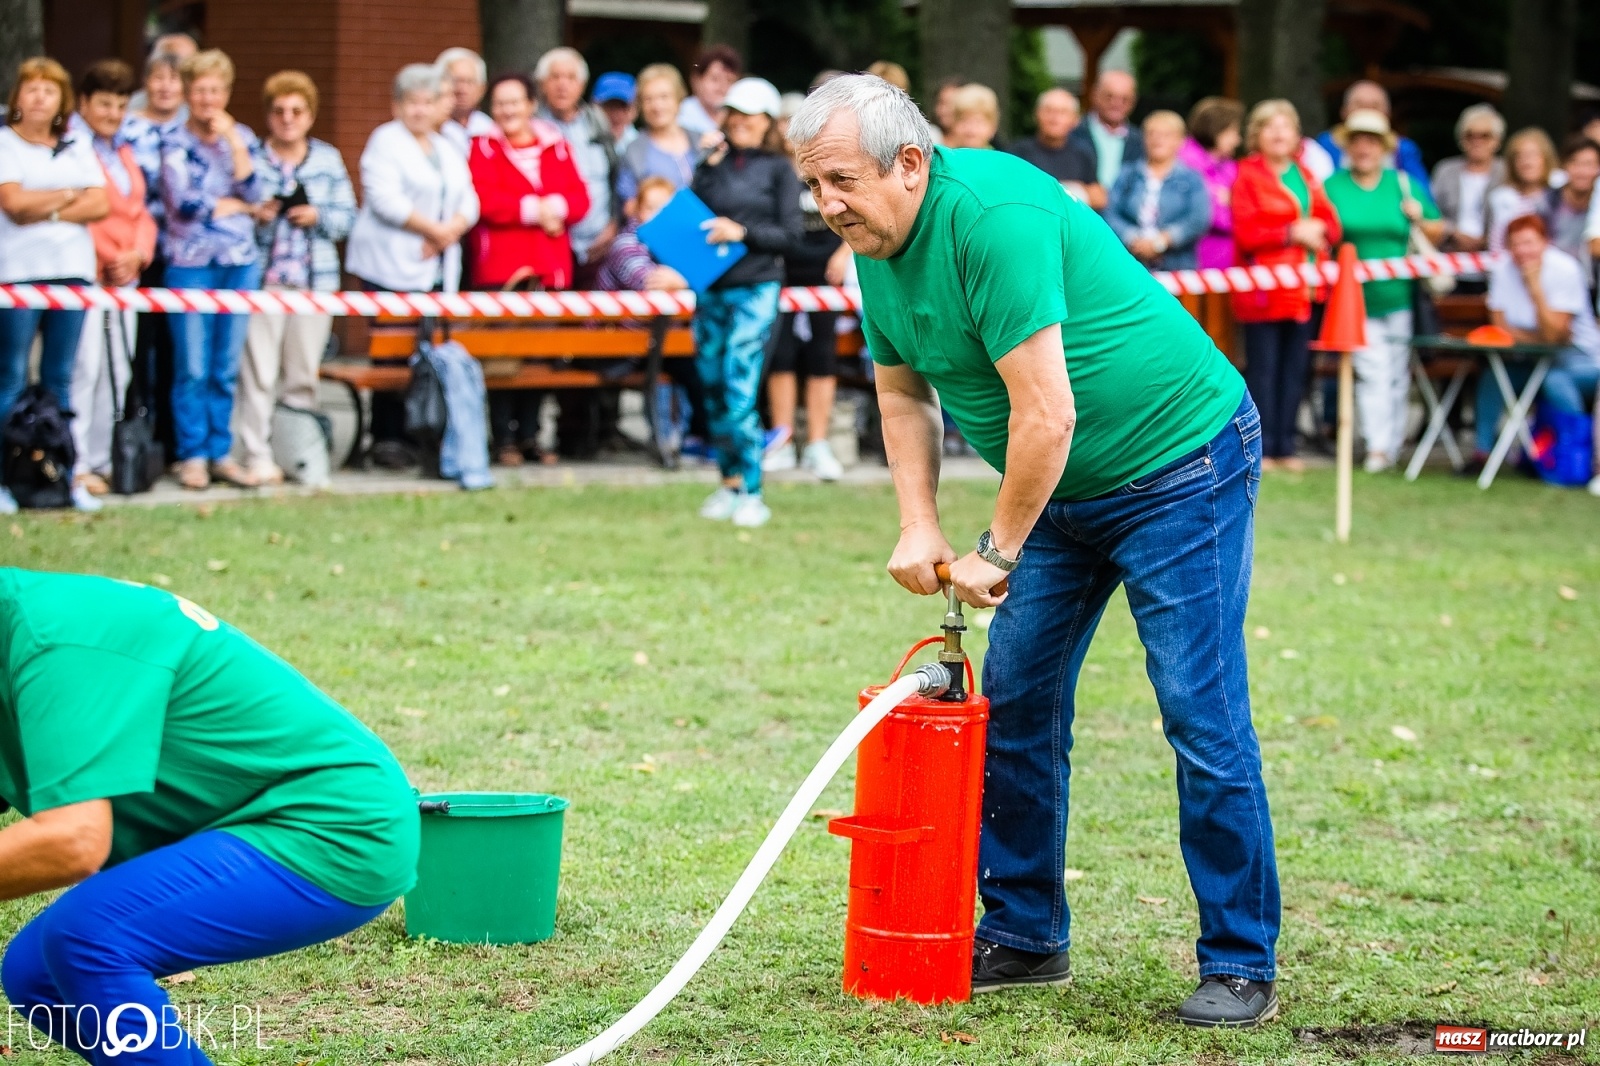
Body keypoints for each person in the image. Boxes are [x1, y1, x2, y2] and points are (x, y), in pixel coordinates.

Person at [790, 74, 1279, 1027]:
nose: (826, 205)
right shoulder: (876, 246)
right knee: (1012, 706)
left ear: (911, 163)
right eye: (814, 185)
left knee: (1199, 711)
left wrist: (997, 548)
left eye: (840, 180)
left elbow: (1046, 414)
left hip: (1183, 463)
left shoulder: (995, 217)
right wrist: (917, 523)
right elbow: (900, 394)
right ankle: (1023, 936)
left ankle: (1238, 958)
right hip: (1060, 489)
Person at [0, 567, 419, 1065]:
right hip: (248, 824)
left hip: (332, 825)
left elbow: (73, 840)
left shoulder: (54, 639)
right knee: (34, 972)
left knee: (89, 936)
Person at [346, 64, 478, 470]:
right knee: (392, 354)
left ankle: (423, 431)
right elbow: (384, 199)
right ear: (397, 105)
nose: (420, 111)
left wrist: (450, 230)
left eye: (427, 102)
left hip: (435, 268)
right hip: (390, 265)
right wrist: (433, 229)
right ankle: (388, 436)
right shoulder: (385, 142)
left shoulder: (447, 146)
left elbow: (469, 199)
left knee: (427, 353)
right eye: (411, 103)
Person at [0, 57, 110, 515]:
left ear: (62, 101)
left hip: (72, 274)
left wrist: (44, 202)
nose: (41, 97)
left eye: (50, 90)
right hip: (18, 276)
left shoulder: (76, 145)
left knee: (60, 380)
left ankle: (64, 473)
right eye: (32, 89)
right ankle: (5, 479)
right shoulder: (5, 143)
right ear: (18, 98)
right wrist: (68, 195)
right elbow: (14, 205)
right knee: (10, 376)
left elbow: (100, 202)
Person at [691, 77, 802, 528]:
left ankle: (753, 491)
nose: (739, 123)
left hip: (757, 287)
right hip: (711, 287)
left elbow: (791, 236)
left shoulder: (779, 169)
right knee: (713, 387)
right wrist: (704, 164)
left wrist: (742, 232)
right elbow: (691, 216)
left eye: (748, 116)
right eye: (733, 114)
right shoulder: (713, 165)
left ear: (766, 122)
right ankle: (728, 483)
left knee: (739, 386)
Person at [236, 70, 355, 487]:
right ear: (268, 116)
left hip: (313, 281)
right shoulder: (251, 158)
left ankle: (298, 453)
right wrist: (261, 216)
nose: (288, 119)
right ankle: (256, 454)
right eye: (280, 111)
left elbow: (346, 218)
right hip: (264, 280)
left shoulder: (327, 159)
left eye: (297, 111)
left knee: (302, 374)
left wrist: (317, 216)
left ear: (310, 116)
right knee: (259, 372)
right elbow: (236, 218)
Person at [468, 72, 589, 466]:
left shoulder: (556, 146)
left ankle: (533, 435)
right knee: (504, 358)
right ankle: (504, 438)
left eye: (515, 102)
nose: (507, 111)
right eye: (500, 103)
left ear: (530, 105)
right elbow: (484, 199)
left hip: (549, 269)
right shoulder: (482, 148)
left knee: (539, 357)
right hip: (501, 271)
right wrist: (536, 210)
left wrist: (558, 209)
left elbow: (580, 198)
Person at [158, 49, 262, 491]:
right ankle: (192, 454)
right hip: (190, 265)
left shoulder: (242, 137)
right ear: (188, 92)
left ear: (226, 93)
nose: (207, 99)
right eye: (199, 90)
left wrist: (234, 144)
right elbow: (184, 204)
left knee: (224, 366)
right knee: (192, 366)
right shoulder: (173, 142)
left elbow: (257, 192)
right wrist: (236, 205)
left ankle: (221, 451)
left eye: (215, 90)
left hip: (239, 265)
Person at [1322, 110, 1443, 473]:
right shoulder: (1332, 186)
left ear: (1383, 147)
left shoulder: (1403, 184)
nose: (1364, 148)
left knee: (1397, 372)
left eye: (1371, 141)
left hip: (1401, 295)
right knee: (1370, 369)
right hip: (1355, 298)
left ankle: (1391, 444)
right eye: (1357, 140)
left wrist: (1418, 216)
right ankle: (1376, 446)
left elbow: (1437, 231)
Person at [1231, 98, 1341, 473]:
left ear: (1297, 136)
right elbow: (1246, 233)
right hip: (1264, 292)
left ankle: (1286, 445)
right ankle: (1260, 448)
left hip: (1306, 291)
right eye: (1270, 126)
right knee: (1263, 370)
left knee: (1297, 370)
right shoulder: (1246, 176)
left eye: (1286, 126)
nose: (1279, 133)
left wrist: (1321, 229)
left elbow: (1332, 222)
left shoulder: (1307, 174)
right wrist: (1291, 232)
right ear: (1256, 135)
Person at [70, 59, 156, 505]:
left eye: (121, 104)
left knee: (116, 369)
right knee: (83, 368)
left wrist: (138, 254)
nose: (114, 113)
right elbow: (82, 212)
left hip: (127, 276)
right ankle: (77, 461)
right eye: (105, 103)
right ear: (84, 103)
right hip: (90, 272)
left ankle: (103, 459)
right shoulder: (71, 146)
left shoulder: (123, 150)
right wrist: (108, 258)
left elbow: (139, 211)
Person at [763, 91, 851, 481]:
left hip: (826, 269)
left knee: (822, 354)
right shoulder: (770, 169)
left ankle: (817, 442)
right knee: (780, 354)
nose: (788, 129)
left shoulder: (832, 161)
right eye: (783, 120)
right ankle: (781, 440)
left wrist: (846, 252)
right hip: (781, 270)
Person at [1471, 214, 1600, 468]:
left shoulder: (1565, 269)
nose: (1522, 251)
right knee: (1494, 378)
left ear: (1545, 242)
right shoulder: (1503, 270)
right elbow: (1500, 328)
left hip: (1581, 361)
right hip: (1532, 358)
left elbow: (1556, 336)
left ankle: (1575, 455)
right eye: (1516, 244)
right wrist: (1539, 336)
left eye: (1528, 242)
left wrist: (1535, 288)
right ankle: (1482, 454)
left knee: (1555, 381)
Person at [535, 47, 618, 276]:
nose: (563, 85)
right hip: (552, 244)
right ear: (542, 84)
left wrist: (613, 224)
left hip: (600, 241)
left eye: (571, 78)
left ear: (582, 85)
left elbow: (614, 176)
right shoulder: (532, 126)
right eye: (555, 77)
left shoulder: (597, 122)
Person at [1105, 110, 1212, 273]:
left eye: (1166, 135)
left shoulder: (1192, 179)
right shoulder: (1127, 175)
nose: (1157, 140)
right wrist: (1132, 237)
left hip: (1178, 266)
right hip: (1132, 264)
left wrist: (1162, 241)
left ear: (1180, 140)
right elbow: (1110, 212)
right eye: (1152, 134)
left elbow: (1198, 219)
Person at [1431, 103, 1506, 276]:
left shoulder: (1506, 172)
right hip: (1450, 261)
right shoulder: (1445, 171)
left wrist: (1487, 239)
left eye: (1485, 136)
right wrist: (1453, 232)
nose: (1477, 141)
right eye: (1470, 135)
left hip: (1494, 265)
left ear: (1497, 140)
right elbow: (1432, 212)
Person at [1311, 80, 1429, 188]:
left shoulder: (1403, 149)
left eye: (1375, 106)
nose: (1367, 111)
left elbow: (1421, 192)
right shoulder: (1325, 144)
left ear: (1388, 114)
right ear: (1344, 111)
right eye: (1359, 105)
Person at [616, 64, 700, 210]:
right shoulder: (635, 150)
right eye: (648, 99)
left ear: (679, 99)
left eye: (664, 97)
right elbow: (629, 206)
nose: (657, 106)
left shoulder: (700, 140)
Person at [1179, 96, 1244, 271]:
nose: (1238, 140)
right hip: (1199, 259)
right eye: (1233, 132)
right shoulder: (1187, 164)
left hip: (1229, 260)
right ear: (1216, 129)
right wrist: (1236, 204)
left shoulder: (1228, 165)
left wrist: (1233, 201)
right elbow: (1210, 215)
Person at [1067, 70, 1144, 206]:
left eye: (1124, 99)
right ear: (1095, 95)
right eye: (1109, 96)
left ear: (1133, 101)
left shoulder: (1141, 141)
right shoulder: (1072, 133)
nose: (1116, 103)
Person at [597, 175, 687, 291]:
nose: (657, 215)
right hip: (612, 308)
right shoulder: (625, 245)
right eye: (650, 208)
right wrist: (683, 283)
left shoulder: (669, 240)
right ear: (638, 210)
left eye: (665, 209)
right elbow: (649, 283)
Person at [1004, 88, 1096, 201]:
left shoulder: (1083, 153)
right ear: (1036, 114)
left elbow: (1099, 195)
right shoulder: (1018, 152)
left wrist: (1075, 190)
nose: (1055, 118)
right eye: (1049, 111)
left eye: (1062, 112)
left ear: (1075, 119)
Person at [1486, 128, 1557, 254]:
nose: (1526, 161)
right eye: (1519, 156)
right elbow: (1496, 244)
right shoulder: (1500, 198)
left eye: (1533, 155)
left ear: (1546, 158)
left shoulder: (1560, 192)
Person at [435, 47, 495, 158]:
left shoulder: (489, 127)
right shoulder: (431, 126)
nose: (462, 89)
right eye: (456, 81)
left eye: (469, 82)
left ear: (482, 89)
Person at [1550, 135, 1597, 274]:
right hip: (1555, 276)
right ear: (1564, 165)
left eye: (1588, 164)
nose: (1582, 171)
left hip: (1591, 280)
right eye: (1575, 163)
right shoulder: (1547, 202)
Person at [678, 45, 741, 143]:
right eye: (715, 79)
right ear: (696, 81)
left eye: (729, 81)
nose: (722, 88)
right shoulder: (680, 116)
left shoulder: (737, 119)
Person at [126, 31, 196, 117]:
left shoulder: (195, 110)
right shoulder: (133, 108)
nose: (166, 86)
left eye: (174, 78)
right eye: (159, 77)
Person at [593, 72, 638, 153]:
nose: (616, 114)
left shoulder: (642, 146)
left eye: (623, 107)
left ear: (634, 111)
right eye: (609, 106)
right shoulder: (580, 140)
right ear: (594, 108)